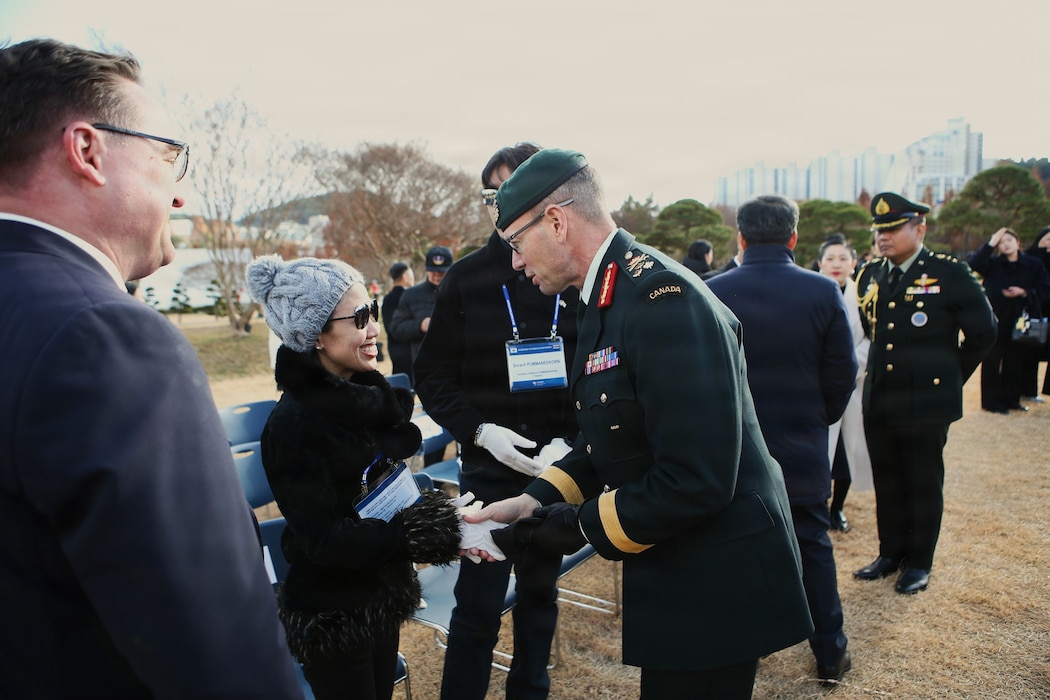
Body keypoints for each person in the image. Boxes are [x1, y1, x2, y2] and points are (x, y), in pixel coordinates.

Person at [0, 38, 303, 698]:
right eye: (169, 157)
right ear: (87, 150)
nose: (182, 197)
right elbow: (220, 652)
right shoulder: (99, 335)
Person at [465, 149, 813, 699]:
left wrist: (570, 525)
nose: (513, 261)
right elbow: (612, 433)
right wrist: (531, 502)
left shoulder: (660, 300)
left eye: (514, 242)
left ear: (555, 221)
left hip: (718, 575)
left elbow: (695, 478)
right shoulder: (609, 291)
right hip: (681, 557)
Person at [246, 255, 463, 700]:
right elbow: (322, 539)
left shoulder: (363, 400)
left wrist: (437, 520)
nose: (373, 329)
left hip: (380, 593)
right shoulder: (292, 425)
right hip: (335, 612)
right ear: (316, 336)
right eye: (360, 318)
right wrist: (412, 534)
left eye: (374, 312)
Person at [413, 142, 580, 700]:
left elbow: (597, 370)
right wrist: (479, 431)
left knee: (539, 595)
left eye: (510, 192)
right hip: (488, 470)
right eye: (491, 196)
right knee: (478, 606)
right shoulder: (465, 278)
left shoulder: (569, 273)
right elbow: (431, 376)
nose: (499, 206)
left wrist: (572, 441)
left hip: (557, 470)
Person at [706, 196, 857, 686]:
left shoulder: (710, 291)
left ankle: (737, 653)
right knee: (812, 547)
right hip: (802, 444)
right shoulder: (822, 291)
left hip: (733, 451)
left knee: (733, 549)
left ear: (741, 240)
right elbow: (842, 375)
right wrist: (818, 421)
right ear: (794, 238)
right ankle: (830, 653)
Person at [853, 192, 996, 594]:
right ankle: (890, 552)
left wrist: (951, 376)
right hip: (880, 397)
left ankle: (919, 561)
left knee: (921, 481)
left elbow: (984, 333)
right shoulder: (871, 274)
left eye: (894, 229)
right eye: (879, 231)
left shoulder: (948, 273)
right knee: (888, 480)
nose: (884, 237)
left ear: (920, 228)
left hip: (926, 404)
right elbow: (871, 330)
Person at [816, 234, 875, 531]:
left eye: (842, 258)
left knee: (847, 449)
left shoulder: (863, 295)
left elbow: (871, 339)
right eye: (830, 258)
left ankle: (837, 508)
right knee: (819, 449)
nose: (836, 264)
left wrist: (849, 367)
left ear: (853, 262)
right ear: (820, 263)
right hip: (815, 385)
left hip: (853, 385)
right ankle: (817, 504)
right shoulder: (810, 290)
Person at [968, 227, 1050, 413]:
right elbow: (974, 264)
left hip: (1021, 318)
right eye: (1001, 242)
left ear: (1018, 242)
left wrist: (1024, 292)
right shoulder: (993, 263)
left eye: (1009, 240)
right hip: (996, 317)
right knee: (992, 360)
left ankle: (1012, 400)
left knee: (1015, 361)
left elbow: (1044, 288)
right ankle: (992, 403)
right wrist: (990, 242)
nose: (1006, 244)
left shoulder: (1033, 264)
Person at [388, 245, 452, 383]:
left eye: (442, 272)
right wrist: (420, 325)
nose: (437, 275)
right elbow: (396, 328)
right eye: (433, 271)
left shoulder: (459, 290)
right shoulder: (411, 295)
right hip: (426, 368)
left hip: (457, 365)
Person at [1021, 225, 1050, 398]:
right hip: (1033, 309)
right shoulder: (1029, 259)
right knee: (1030, 352)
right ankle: (1027, 390)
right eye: (1046, 239)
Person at [382, 261, 416, 378]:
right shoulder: (409, 296)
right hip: (409, 348)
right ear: (405, 276)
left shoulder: (387, 299)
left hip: (394, 348)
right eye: (411, 275)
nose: (413, 278)